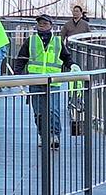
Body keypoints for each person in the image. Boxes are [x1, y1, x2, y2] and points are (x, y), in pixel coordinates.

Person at [14, 14, 73, 150]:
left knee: (53, 110)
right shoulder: (31, 40)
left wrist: (73, 66)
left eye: (45, 23)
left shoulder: (57, 41)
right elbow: (21, 58)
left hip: (53, 82)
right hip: (35, 81)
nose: (42, 25)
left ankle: (54, 136)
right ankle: (43, 135)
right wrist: (17, 75)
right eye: (40, 23)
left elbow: (66, 57)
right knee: (39, 112)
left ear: (51, 25)